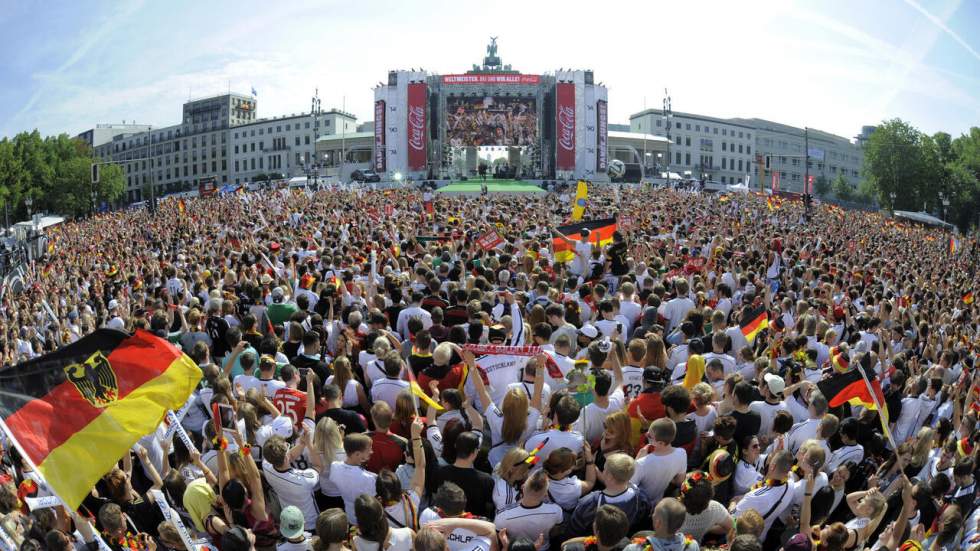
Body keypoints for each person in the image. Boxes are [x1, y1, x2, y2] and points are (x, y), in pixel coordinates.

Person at [494, 470, 564, 550]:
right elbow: (555, 532)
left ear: (523, 487)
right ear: (545, 494)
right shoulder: (556, 510)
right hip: (543, 547)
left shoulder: (503, 514)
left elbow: (498, 536)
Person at [328, 433, 378, 525]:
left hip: (349, 515)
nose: (372, 452)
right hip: (367, 519)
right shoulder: (370, 478)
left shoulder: (334, 466)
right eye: (369, 449)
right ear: (357, 454)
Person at [623, 498, 700, 551]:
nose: (652, 514)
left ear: (658, 523)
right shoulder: (692, 545)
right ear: (681, 523)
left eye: (654, 512)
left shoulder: (634, 549)